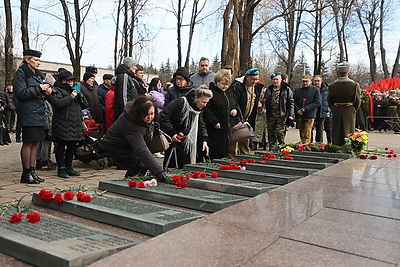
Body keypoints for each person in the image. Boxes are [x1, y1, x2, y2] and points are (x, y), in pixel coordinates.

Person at [103, 95, 167, 181]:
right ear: (139, 113)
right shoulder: (132, 125)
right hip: (115, 145)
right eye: (146, 114)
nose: (150, 117)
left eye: (152, 114)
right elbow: (141, 150)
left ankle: (135, 181)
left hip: (128, 143)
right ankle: (130, 183)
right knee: (138, 162)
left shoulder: (142, 118)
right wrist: (159, 172)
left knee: (142, 163)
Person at [12, 49, 52, 184]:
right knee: (28, 142)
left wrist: (47, 92)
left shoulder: (36, 75)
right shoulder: (21, 73)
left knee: (35, 142)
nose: (39, 63)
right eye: (36, 60)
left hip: (38, 112)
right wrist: (39, 88)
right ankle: (26, 172)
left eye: (39, 60)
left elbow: (38, 93)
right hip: (28, 112)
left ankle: (32, 170)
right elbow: (21, 93)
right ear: (27, 60)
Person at [160, 86, 212, 169]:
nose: (205, 105)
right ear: (196, 98)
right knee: (172, 163)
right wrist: (172, 133)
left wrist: (204, 140)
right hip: (173, 138)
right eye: (203, 102)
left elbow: (201, 124)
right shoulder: (180, 102)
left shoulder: (198, 111)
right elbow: (164, 116)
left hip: (187, 141)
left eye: (207, 103)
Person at [47, 70, 86, 178]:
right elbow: (58, 104)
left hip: (75, 123)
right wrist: (71, 97)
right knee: (60, 146)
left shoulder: (74, 91)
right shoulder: (57, 91)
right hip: (62, 122)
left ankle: (69, 167)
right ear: (62, 81)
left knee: (72, 146)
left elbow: (85, 105)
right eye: (68, 80)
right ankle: (61, 168)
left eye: (72, 80)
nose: (70, 82)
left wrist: (80, 95)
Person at [203, 69, 238, 159]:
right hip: (215, 127)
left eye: (227, 85)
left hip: (227, 126)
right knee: (216, 150)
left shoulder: (229, 92)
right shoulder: (212, 93)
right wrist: (213, 121)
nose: (225, 87)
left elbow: (235, 104)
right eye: (223, 84)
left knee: (226, 149)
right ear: (217, 81)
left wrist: (235, 110)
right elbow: (206, 109)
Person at [230, 68, 263, 156]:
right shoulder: (237, 86)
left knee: (245, 143)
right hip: (236, 118)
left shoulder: (257, 88)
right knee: (234, 143)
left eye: (256, 79)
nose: (254, 82)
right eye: (252, 79)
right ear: (247, 77)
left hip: (248, 119)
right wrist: (238, 118)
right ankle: (231, 161)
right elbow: (234, 103)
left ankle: (244, 159)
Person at [327, 62, 361, 146]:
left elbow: (329, 100)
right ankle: (348, 147)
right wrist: (354, 109)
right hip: (349, 110)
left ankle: (336, 147)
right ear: (348, 73)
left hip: (337, 110)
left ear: (338, 73)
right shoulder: (355, 85)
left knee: (336, 131)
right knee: (348, 131)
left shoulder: (332, 86)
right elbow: (357, 100)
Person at [264, 72, 294, 148]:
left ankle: (282, 148)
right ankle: (272, 150)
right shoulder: (269, 89)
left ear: (281, 80)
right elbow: (265, 100)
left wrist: (291, 115)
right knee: (271, 134)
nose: (275, 81)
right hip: (271, 115)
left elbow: (291, 103)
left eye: (277, 79)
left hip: (281, 115)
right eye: (273, 79)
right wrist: (264, 107)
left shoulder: (286, 89)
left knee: (279, 132)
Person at [293, 75, 321, 144]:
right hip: (300, 115)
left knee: (307, 132)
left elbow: (317, 102)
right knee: (302, 133)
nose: (305, 83)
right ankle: (303, 145)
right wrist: (297, 110)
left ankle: (306, 146)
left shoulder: (315, 90)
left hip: (310, 115)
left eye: (306, 81)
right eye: (303, 81)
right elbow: (293, 102)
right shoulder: (297, 91)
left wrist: (306, 109)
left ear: (310, 82)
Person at [312, 75, 332, 143]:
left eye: (318, 81)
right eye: (315, 81)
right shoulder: (311, 89)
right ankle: (316, 143)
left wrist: (331, 107)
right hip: (313, 112)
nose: (316, 82)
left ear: (321, 81)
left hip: (324, 112)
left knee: (327, 129)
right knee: (315, 129)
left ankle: (329, 143)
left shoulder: (327, 89)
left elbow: (332, 99)